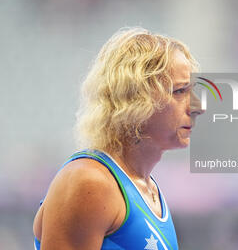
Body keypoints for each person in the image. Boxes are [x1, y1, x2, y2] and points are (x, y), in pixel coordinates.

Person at [33, 27, 204, 250]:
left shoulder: (148, 191)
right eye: (180, 91)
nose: (198, 106)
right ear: (135, 98)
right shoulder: (89, 182)